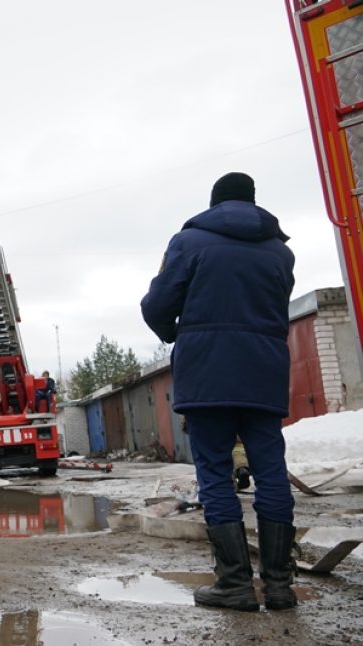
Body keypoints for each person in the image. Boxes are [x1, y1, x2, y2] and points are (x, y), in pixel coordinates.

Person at [140, 172, 297, 611]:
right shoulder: (281, 252)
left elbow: (156, 304)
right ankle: (280, 587)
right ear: (253, 202)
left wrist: (176, 333)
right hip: (263, 373)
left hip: (207, 372)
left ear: (213, 205)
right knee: (270, 472)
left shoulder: (189, 243)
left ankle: (235, 585)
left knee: (214, 473)